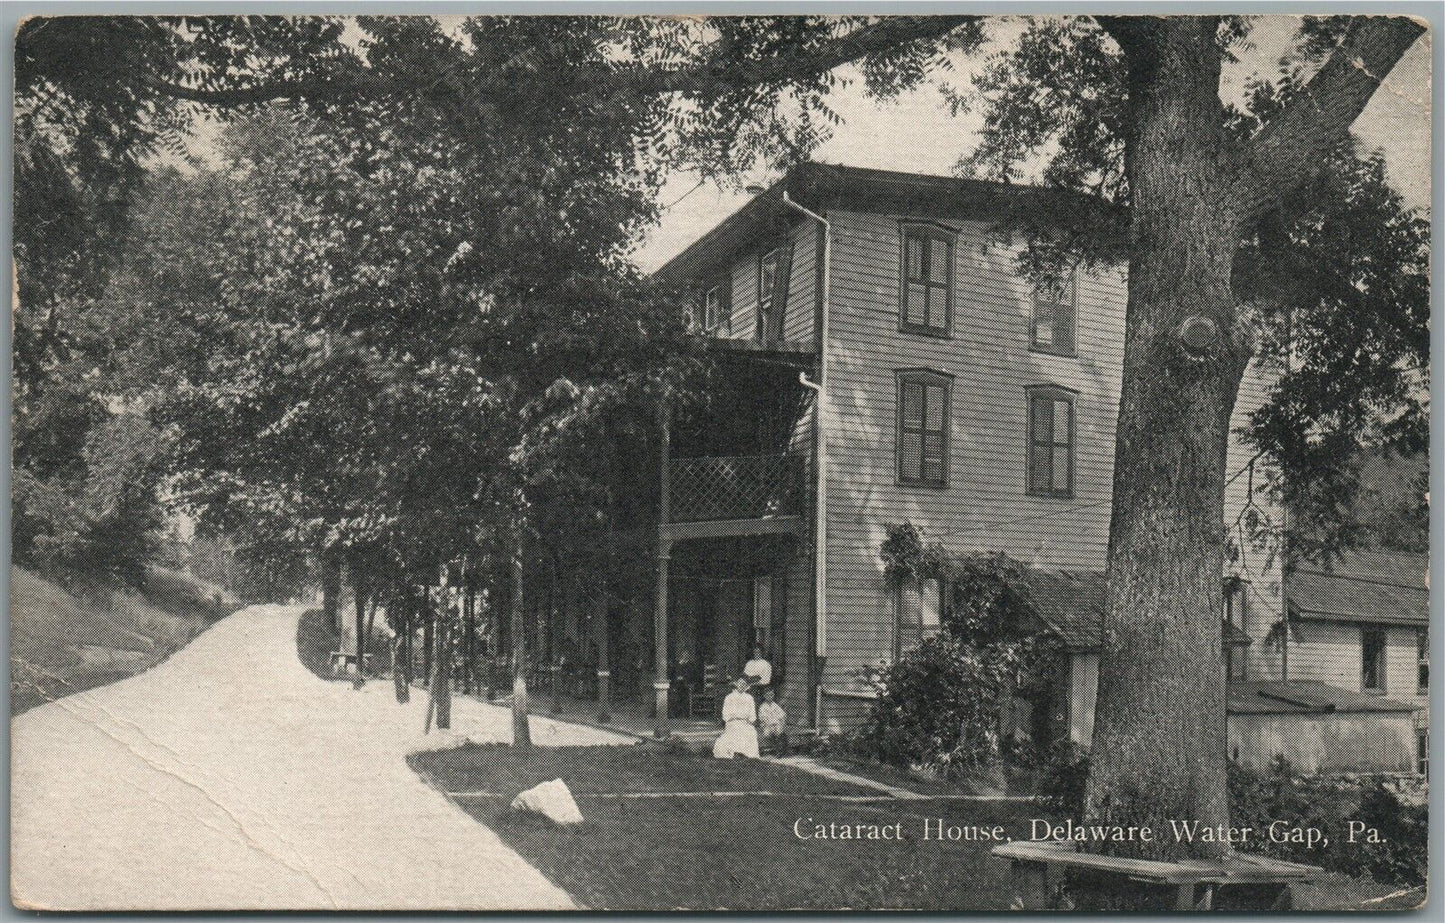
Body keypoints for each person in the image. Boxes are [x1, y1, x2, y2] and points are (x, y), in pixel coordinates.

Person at [712, 677, 759, 759]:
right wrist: (731, 719)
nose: (742, 686)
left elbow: (752, 713)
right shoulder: (729, 697)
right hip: (733, 721)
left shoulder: (749, 698)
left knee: (751, 732)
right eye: (740, 683)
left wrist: (750, 720)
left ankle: (745, 753)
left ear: (747, 686)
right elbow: (725, 712)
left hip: (745, 722)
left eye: (744, 684)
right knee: (735, 731)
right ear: (737, 684)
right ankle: (735, 752)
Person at [758, 687, 787, 754]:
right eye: (767, 695)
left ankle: (781, 749)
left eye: (771, 695)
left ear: (773, 695)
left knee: (779, 731)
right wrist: (772, 724)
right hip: (767, 726)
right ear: (764, 696)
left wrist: (781, 723)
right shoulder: (763, 707)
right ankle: (777, 749)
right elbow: (764, 719)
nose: (769, 697)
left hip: (776, 724)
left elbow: (782, 715)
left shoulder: (775, 705)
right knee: (769, 733)